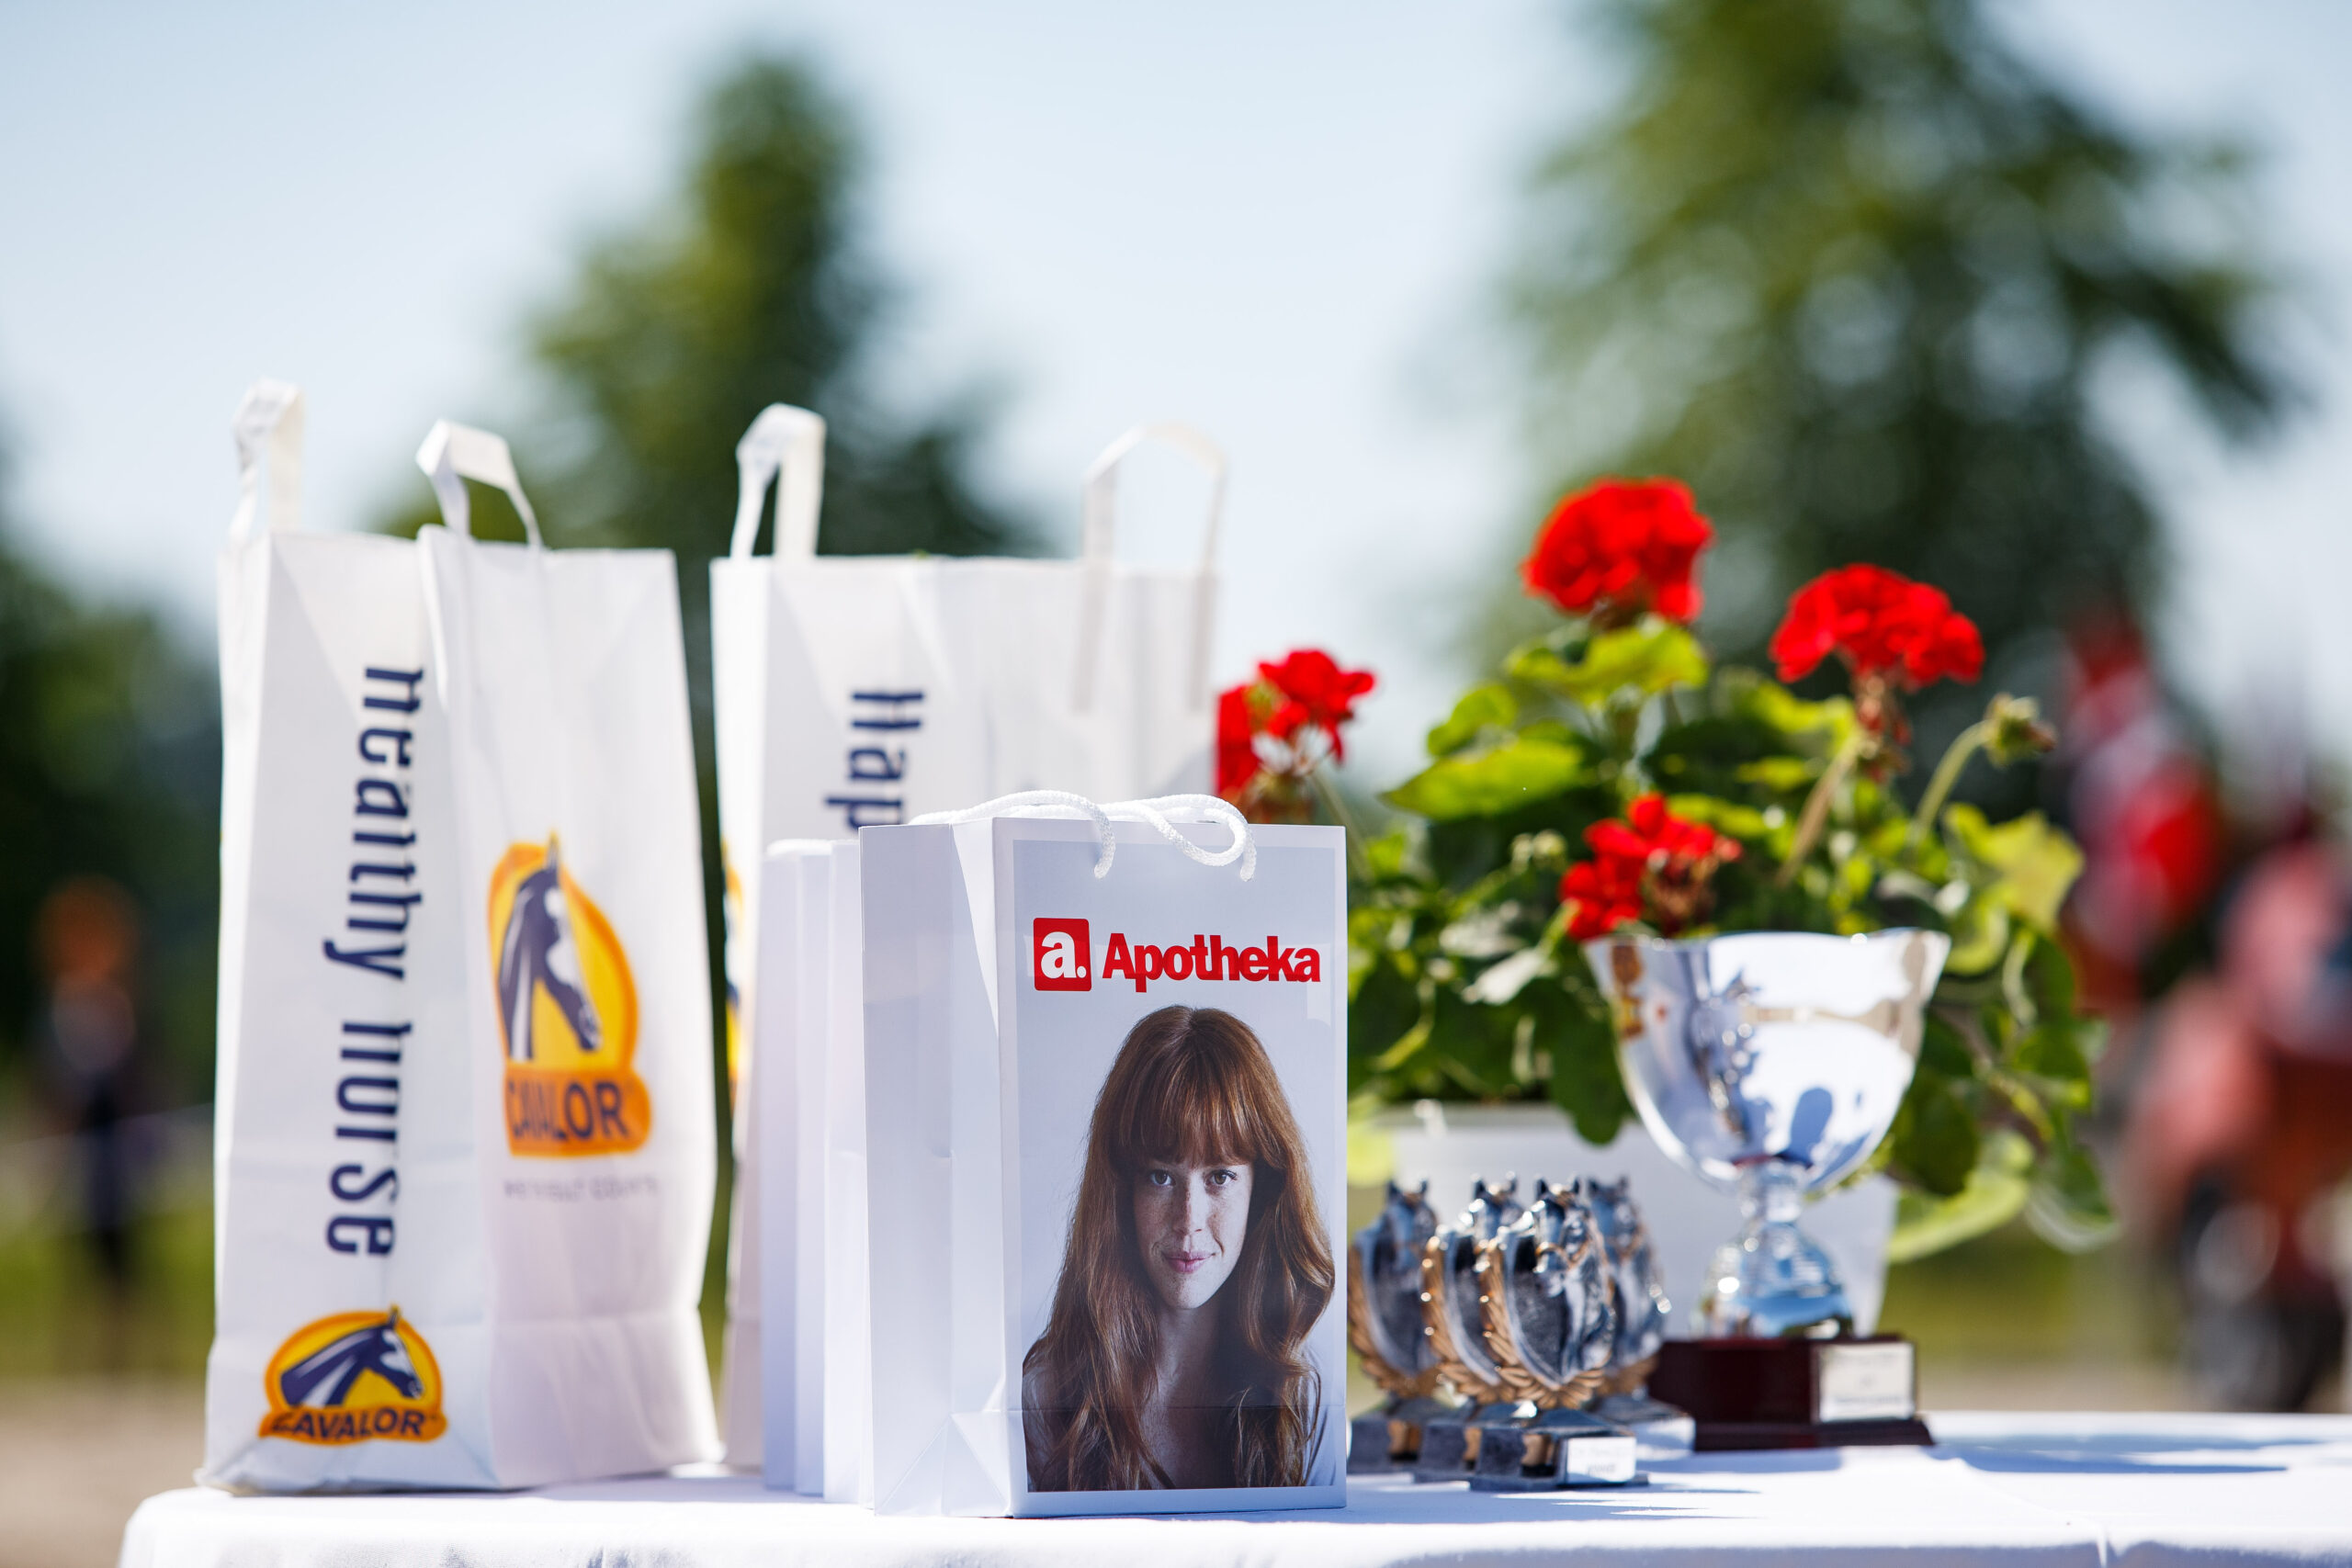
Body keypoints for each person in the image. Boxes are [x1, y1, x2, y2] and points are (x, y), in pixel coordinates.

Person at [1022, 1006, 1334, 1492]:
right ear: (1121, 1191)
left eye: (1220, 1177)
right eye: (1160, 1177)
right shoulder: (1046, 1392)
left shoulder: (1304, 1396)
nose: (1188, 1220)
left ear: (1263, 1190)